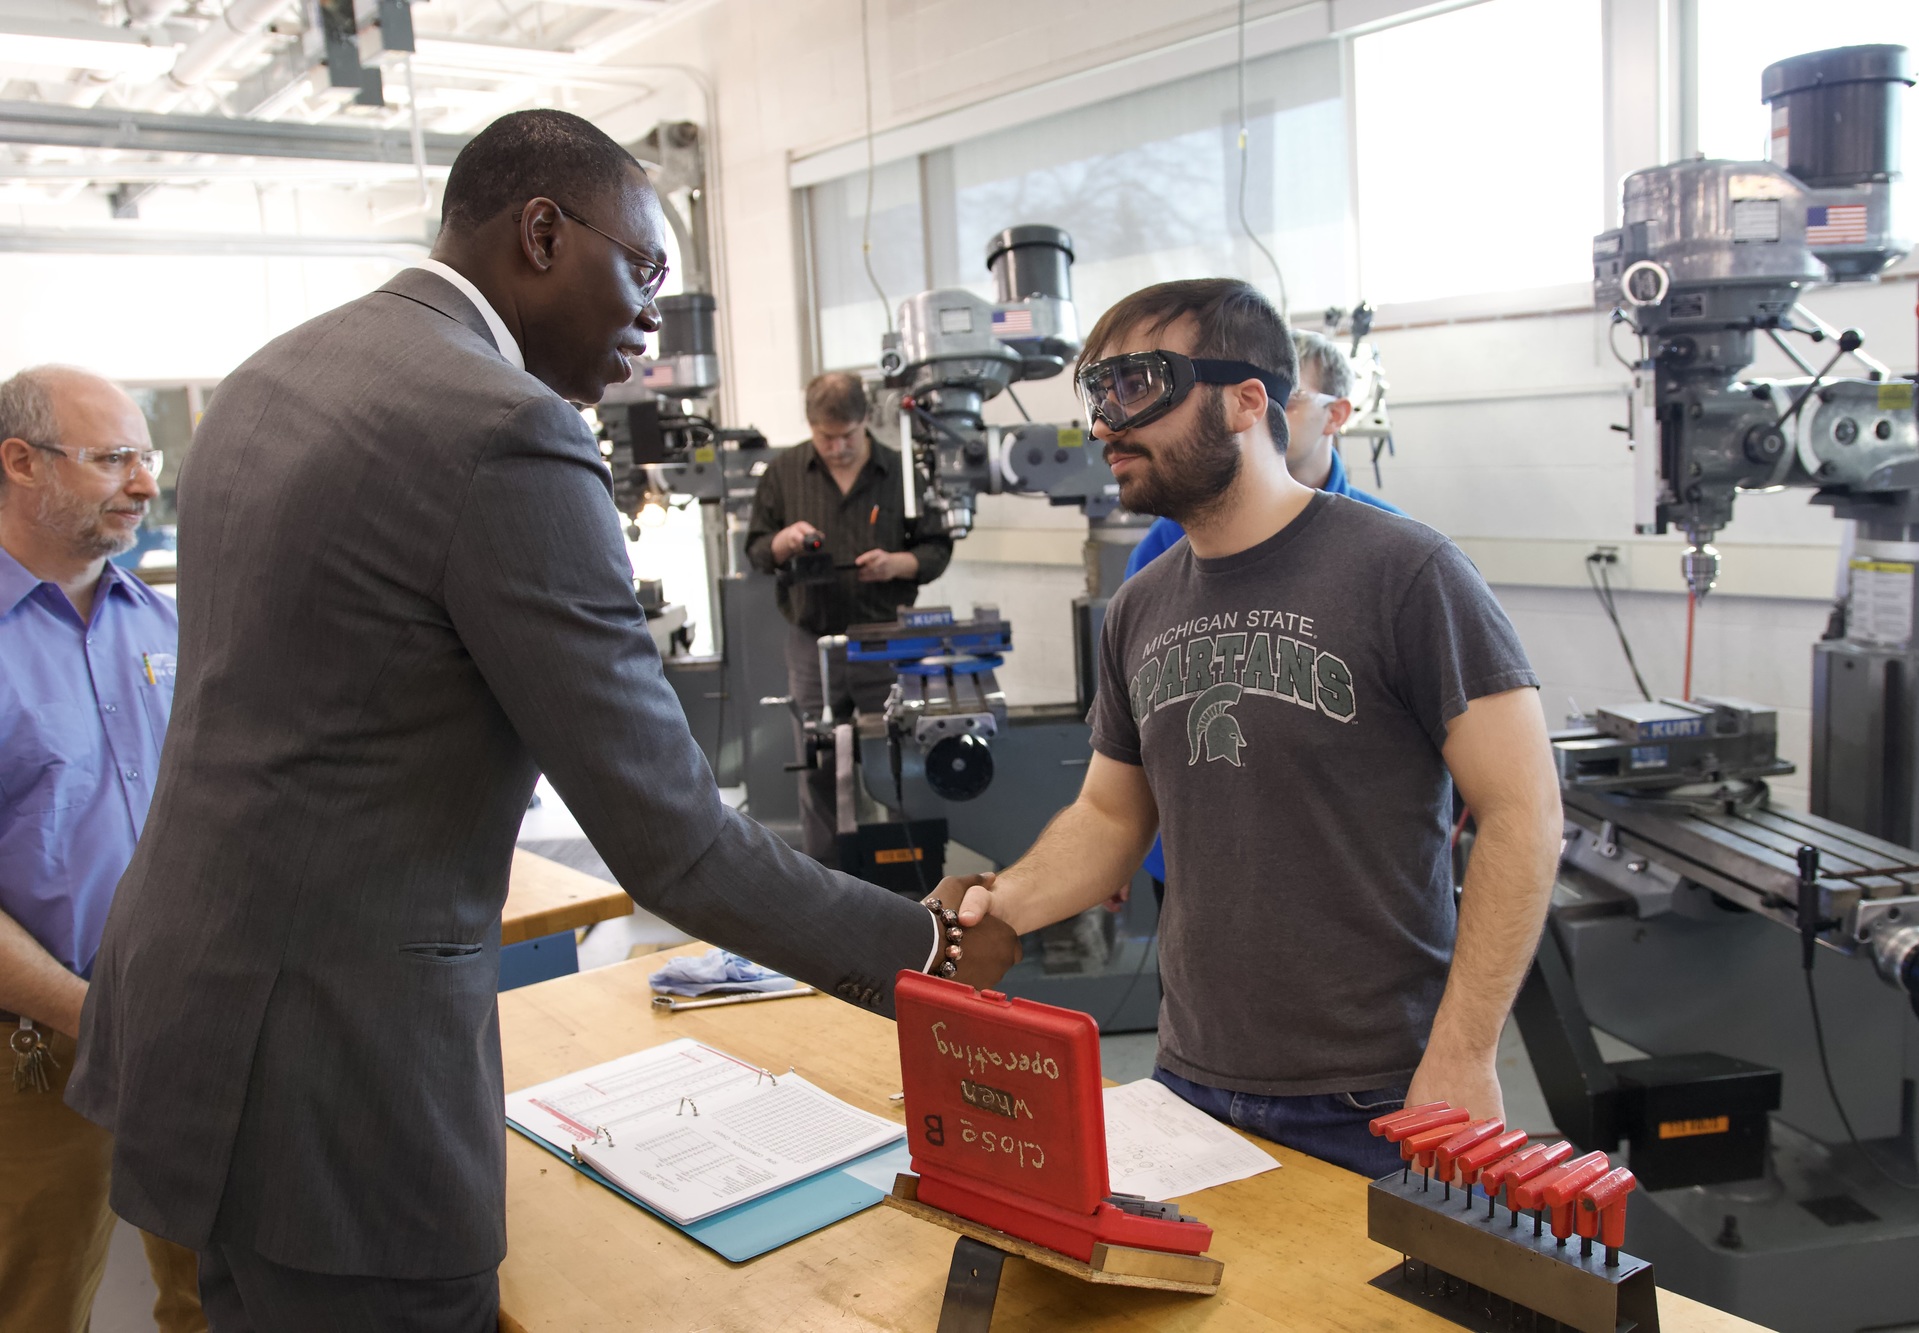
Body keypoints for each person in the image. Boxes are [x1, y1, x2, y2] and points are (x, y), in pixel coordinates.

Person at [65, 109, 1017, 1333]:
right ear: (540, 233)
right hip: (341, 1070)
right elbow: (673, 841)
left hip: (190, 1012)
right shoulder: (503, 429)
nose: (652, 320)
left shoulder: (268, 378)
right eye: (644, 270)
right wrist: (924, 952)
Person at [948, 278, 1562, 1177]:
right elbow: (1114, 817)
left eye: (1140, 386)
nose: (1107, 425)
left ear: (1246, 401)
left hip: (1378, 1092)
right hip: (1190, 1079)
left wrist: (1466, 1051)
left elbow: (1523, 813)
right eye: (1097, 393)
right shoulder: (1140, 605)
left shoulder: (1407, 573)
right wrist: (1001, 905)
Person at [0, 366, 206, 1333]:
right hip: (34, 1049)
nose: (142, 483)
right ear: (20, 462)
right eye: (114, 458)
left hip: (183, 1027)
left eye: (146, 457)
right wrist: (91, 1011)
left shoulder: (166, 625)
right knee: (37, 1303)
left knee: (221, 1291)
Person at [1121, 329, 1406, 901]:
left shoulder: (1396, 556)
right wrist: (1114, 845)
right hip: (1188, 861)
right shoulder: (1164, 547)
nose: (1266, 411)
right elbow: (1135, 718)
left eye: (1291, 397)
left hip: (1332, 879)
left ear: (1337, 416)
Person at [745, 371, 952, 863]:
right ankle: (828, 885)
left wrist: (895, 564)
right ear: (810, 426)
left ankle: (909, 879)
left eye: (848, 436)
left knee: (900, 760)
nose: (837, 448)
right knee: (818, 767)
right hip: (811, 643)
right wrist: (784, 542)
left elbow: (937, 547)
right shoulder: (785, 472)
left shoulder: (900, 472)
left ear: (867, 421)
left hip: (886, 643)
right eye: (826, 437)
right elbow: (756, 550)